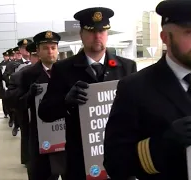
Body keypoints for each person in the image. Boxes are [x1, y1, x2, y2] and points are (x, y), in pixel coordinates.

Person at [103, 0, 191, 179]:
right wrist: (163, 145)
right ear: (165, 38)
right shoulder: (135, 88)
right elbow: (114, 163)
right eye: (189, 32)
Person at [38, 7, 137, 179]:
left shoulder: (127, 67)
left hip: (119, 157)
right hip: (80, 160)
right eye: (91, 32)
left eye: (102, 31)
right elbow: (45, 112)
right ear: (81, 34)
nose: (97, 36)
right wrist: (66, 102)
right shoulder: (63, 69)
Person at [19, 30, 63, 180]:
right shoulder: (28, 74)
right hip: (40, 136)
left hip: (65, 135)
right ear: (37, 51)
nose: (50, 52)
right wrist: (29, 95)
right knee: (43, 174)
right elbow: (18, 105)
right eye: (45, 48)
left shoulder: (67, 71)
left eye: (53, 47)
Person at [0, 50, 10, 118]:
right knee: (4, 99)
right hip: (2, 83)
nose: (6, 57)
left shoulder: (11, 64)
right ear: (3, 57)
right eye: (5, 56)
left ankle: (10, 112)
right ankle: (5, 112)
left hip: (9, 83)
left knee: (9, 98)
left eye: (7, 56)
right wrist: (0, 74)